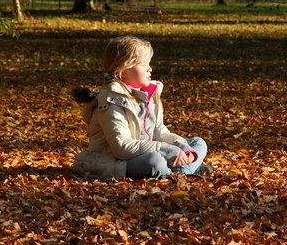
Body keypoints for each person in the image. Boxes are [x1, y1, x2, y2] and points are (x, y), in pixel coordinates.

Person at [71, 35, 212, 180]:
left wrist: (183, 149)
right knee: (154, 161)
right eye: (144, 64)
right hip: (118, 162)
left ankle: (179, 173)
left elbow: (161, 133)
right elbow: (122, 148)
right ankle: (184, 172)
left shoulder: (149, 95)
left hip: (150, 152)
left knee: (197, 144)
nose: (150, 69)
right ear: (123, 70)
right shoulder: (111, 101)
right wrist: (167, 150)